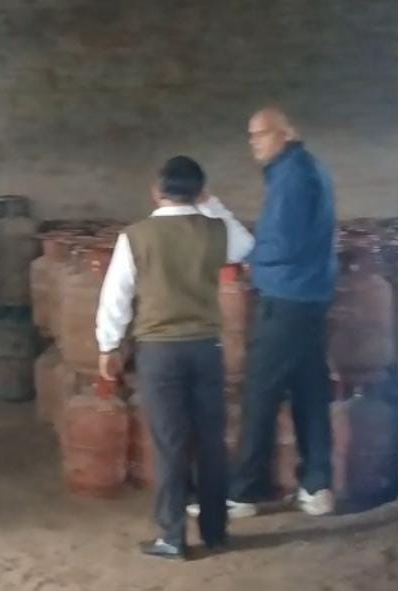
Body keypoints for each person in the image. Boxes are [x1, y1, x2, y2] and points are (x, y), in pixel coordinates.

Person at [96, 156, 253, 560]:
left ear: (156, 191)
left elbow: (116, 296)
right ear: (199, 191)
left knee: (171, 443)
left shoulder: (136, 237)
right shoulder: (216, 231)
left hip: (159, 352)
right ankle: (216, 532)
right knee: (211, 441)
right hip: (206, 349)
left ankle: (172, 536)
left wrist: (108, 346)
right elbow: (246, 245)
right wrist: (212, 204)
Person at [224, 108, 339, 518]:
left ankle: (244, 492)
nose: (253, 142)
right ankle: (316, 487)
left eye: (260, 134)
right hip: (310, 296)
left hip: (286, 298)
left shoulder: (291, 176)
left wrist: (252, 257)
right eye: (251, 135)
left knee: (260, 391)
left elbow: (284, 243)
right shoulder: (308, 168)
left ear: (285, 133)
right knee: (310, 391)